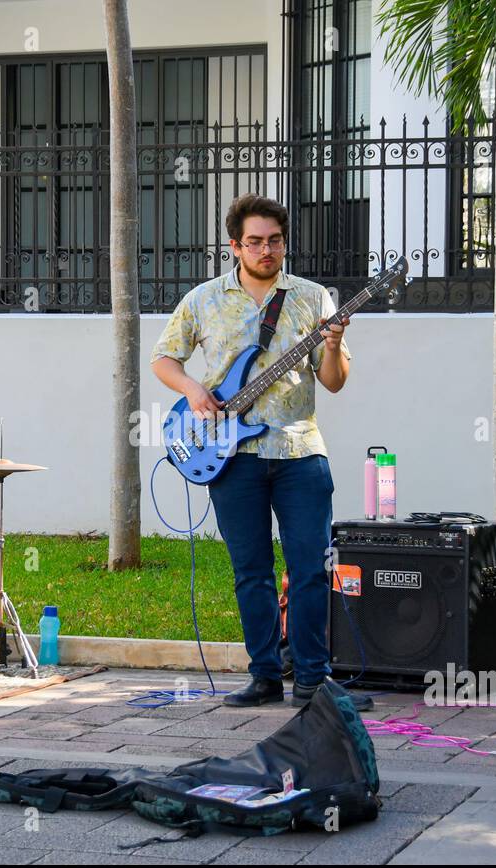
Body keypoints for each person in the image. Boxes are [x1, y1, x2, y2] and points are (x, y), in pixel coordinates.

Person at [151, 193, 371, 710]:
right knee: (250, 569)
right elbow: (164, 358)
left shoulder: (314, 298)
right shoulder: (204, 299)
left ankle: (314, 679)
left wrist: (334, 346)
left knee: (312, 566)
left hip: (300, 451)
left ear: (284, 242)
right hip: (231, 456)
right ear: (235, 246)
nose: (266, 250)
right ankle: (265, 674)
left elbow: (334, 382)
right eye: (254, 241)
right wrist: (192, 390)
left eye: (274, 240)